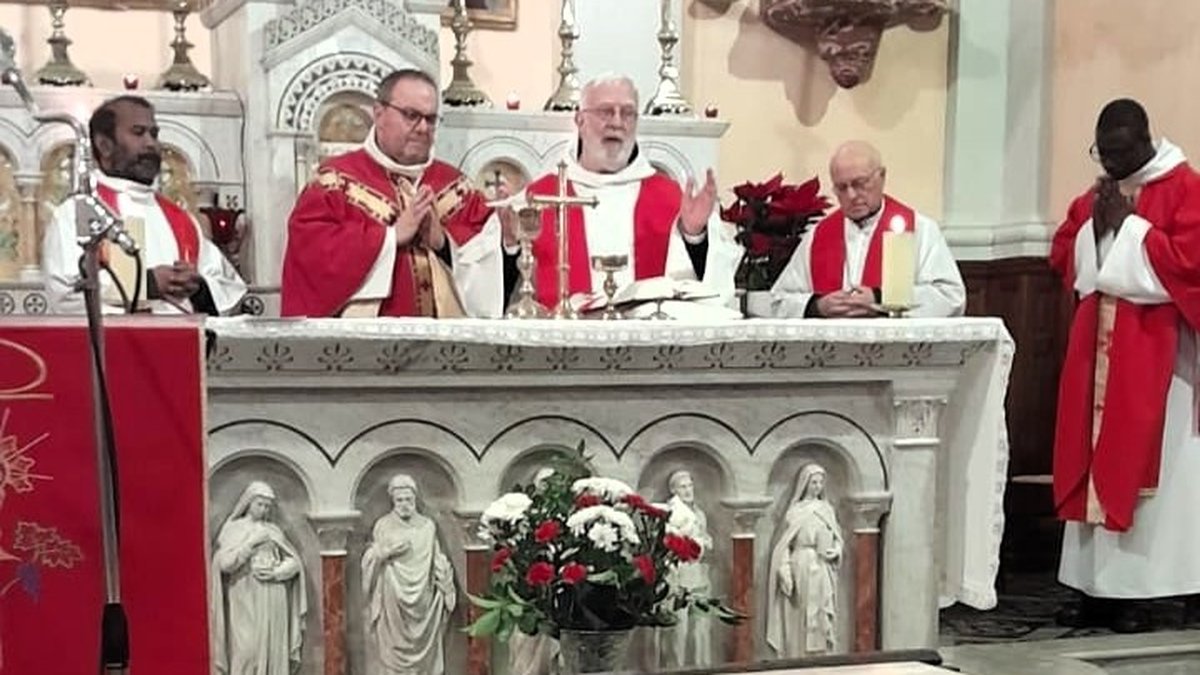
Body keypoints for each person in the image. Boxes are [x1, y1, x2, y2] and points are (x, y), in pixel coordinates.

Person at [1050, 98, 1200, 632]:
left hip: (1164, 362)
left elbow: (1190, 265)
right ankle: (1094, 587)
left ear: (1144, 140)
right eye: (1102, 153)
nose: (1108, 163)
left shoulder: (1185, 187)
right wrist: (1096, 227)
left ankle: (1141, 591)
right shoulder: (1101, 192)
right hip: (1100, 351)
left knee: (1151, 478)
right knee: (1092, 459)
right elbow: (1066, 255)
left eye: (1117, 152)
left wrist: (1128, 227)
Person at [281, 69, 510, 318]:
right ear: (378, 114)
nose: (423, 128)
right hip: (366, 351)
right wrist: (390, 238)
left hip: (445, 352)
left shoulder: (458, 189)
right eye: (411, 115)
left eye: (431, 119)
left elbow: (486, 290)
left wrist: (443, 244)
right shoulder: (332, 183)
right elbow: (311, 260)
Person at [513, 74, 742, 313]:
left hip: (647, 344)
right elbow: (489, 289)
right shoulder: (539, 197)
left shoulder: (671, 197)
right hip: (561, 344)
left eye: (628, 113)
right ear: (580, 120)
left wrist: (694, 236)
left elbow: (715, 289)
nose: (617, 122)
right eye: (605, 111)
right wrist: (507, 244)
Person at [43, 95, 247, 315]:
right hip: (116, 347)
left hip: (181, 346)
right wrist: (148, 284)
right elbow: (65, 295)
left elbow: (231, 290)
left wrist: (198, 288)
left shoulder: (181, 219)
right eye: (138, 132)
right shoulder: (79, 212)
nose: (151, 143)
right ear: (104, 145)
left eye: (154, 134)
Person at [763, 141, 964, 318]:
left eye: (860, 183)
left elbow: (950, 297)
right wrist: (817, 306)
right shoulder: (819, 236)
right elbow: (779, 301)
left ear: (882, 176)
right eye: (842, 187)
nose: (851, 195)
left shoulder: (920, 230)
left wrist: (880, 300)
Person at [362, 474, 457, 674]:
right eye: (400, 500)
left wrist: (447, 586)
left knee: (425, 655)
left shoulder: (427, 526)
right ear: (393, 501)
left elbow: (437, 559)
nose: (404, 504)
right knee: (391, 651)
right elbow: (371, 557)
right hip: (392, 600)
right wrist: (386, 553)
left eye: (408, 500)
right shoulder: (383, 525)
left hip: (424, 600)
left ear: (415, 499)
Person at [210, 481, 307, 675]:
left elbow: (295, 563)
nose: (263, 510)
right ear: (248, 503)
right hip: (244, 595)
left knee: (274, 650)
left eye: (267, 506)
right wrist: (251, 544)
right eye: (259, 504)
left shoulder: (273, 530)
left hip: (274, 596)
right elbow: (224, 564)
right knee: (247, 650)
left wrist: (278, 572)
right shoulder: (233, 529)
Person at [766, 463, 842, 658]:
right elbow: (784, 545)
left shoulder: (827, 509)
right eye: (813, 482)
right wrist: (784, 569)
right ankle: (798, 655)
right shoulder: (795, 511)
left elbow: (836, 537)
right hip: (801, 563)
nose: (817, 487)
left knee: (821, 612)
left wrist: (836, 550)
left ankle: (821, 658)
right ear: (805, 484)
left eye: (820, 483)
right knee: (801, 612)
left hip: (822, 564)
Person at [662, 470, 714, 668]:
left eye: (690, 485)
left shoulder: (699, 513)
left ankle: (704, 667)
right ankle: (677, 668)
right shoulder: (671, 512)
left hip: (699, 575)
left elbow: (705, 537)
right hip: (678, 576)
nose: (688, 490)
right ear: (674, 490)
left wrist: (705, 542)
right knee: (679, 630)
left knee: (701, 629)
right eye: (682, 487)